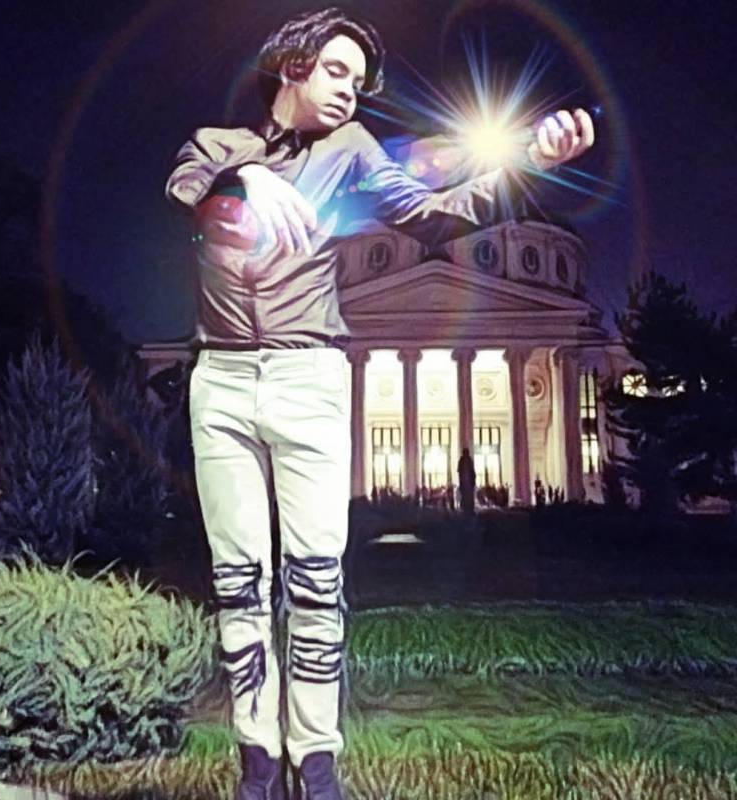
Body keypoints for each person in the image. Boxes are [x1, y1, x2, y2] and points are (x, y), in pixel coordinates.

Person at [165, 8, 594, 799]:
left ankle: (315, 761)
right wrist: (248, 178)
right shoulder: (216, 147)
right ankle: (257, 761)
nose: (349, 91)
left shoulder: (355, 150)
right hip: (221, 381)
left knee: (316, 578)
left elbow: (437, 214)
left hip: (310, 377)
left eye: (359, 82)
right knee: (238, 578)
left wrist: (532, 160)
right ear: (292, 64)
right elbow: (187, 195)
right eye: (336, 71)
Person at [457, 447, 476, 514]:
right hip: (465, 482)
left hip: (468, 482)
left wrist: (473, 481)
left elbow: (472, 471)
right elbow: (460, 471)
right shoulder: (462, 461)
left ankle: (469, 508)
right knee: (465, 496)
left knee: (469, 496)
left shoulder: (468, 460)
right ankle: (465, 508)